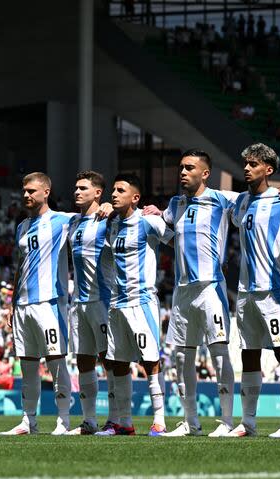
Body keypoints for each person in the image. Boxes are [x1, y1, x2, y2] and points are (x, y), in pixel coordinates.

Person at [151, 150, 238, 437]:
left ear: (205, 173)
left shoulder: (222, 199)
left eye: (190, 168)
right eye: (181, 168)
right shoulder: (175, 204)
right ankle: (191, 422)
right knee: (181, 357)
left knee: (220, 355)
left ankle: (226, 421)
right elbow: (165, 225)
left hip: (211, 286)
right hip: (182, 290)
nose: (183, 173)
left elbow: (258, 197)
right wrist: (151, 212)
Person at [224, 143, 280, 438]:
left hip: (275, 289)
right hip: (246, 290)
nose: (246, 168)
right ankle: (248, 422)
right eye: (245, 163)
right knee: (248, 353)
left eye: (253, 164)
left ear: (268, 170)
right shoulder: (241, 202)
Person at [0, 172, 79, 435]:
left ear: (46, 192)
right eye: (24, 191)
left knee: (56, 361)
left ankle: (63, 420)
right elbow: (20, 266)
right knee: (28, 364)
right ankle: (28, 421)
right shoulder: (22, 226)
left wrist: (102, 206)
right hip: (23, 304)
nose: (26, 195)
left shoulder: (63, 220)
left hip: (50, 303)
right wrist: (12, 302)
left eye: (32, 191)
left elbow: (91, 215)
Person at [98, 174, 174, 436]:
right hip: (116, 304)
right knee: (118, 362)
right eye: (113, 190)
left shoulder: (148, 222)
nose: (114, 194)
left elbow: (176, 240)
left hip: (141, 303)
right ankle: (124, 422)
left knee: (150, 360)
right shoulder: (112, 225)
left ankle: (160, 420)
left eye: (121, 190)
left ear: (136, 197)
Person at [66, 171, 116, 435]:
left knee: (109, 360)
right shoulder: (73, 222)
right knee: (83, 360)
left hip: (102, 300)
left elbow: (132, 215)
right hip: (78, 304)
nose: (77, 192)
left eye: (83, 188)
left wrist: (112, 207)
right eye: (75, 187)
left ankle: (116, 419)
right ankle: (89, 421)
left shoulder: (107, 219)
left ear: (98, 192)